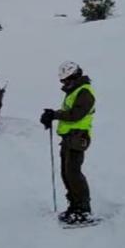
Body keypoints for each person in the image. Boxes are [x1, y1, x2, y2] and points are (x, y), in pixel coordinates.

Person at [40, 61, 95, 225]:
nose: (64, 83)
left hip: (78, 137)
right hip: (68, 138)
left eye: (65, 80)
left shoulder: (85, 92)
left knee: (74, 173)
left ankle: (84, 210)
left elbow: (76, 114)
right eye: (62, 81)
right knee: (66, 173)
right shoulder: (74, 91)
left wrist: (55, 115)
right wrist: (51, 115)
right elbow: (68, 113)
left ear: (74, 76)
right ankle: (74, 206)